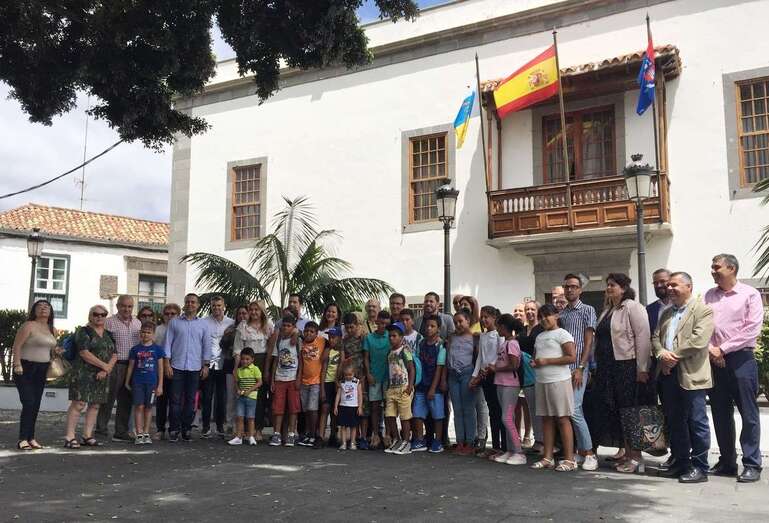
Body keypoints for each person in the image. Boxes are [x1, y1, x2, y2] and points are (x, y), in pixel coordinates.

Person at [705, 254, 763, 483]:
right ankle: (727, 462)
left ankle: (752, 463)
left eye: (716, 267)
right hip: (714, 360)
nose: (713, 271)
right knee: (720, 413)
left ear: (731, 268)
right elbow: (703, 326)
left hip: (741, 360)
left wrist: (723, 349)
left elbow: (752, 329)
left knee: (748, 414)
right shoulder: (709, 295)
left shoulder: (750, 294)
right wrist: (712, 350)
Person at [653, 272, 714, 483]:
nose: (669, 288)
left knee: (697, 421)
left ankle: (700, 467)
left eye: (674, 285)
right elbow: (656, 337)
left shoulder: (703, 310)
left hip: (692, 374)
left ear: (689, 287)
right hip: (668, 374)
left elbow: (699, 340)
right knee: (675, 420)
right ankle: (680, 462)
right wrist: (662, 354)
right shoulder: (666, 313)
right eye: (668, 285)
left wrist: (672, 357)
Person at [590, 273, 653, 473]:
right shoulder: (608, 310)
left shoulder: (633, 307)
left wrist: (642, 368)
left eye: (613, 285)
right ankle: (627, 453)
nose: (609, 288)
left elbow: (643, 337)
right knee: (617, 411)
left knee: (630, 412)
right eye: (607, 285)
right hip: (607, 368)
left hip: (626, 366)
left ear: (624, 288)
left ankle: (637, 458)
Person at [530, 304, 577, 472]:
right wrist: (535, 362)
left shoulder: (563, 334)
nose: (543, 319)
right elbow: (536, 357)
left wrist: (547, 361)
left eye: (547, 315)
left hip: (559, 381)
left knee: (562, 419)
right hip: (542, 381)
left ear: (556, 315)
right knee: (546, 419)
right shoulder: (539, 336)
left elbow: (571, 357)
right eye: (541, 317)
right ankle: (547, 457)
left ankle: (569, 459)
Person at [559, 274, 598, 471]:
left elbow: (589, 342)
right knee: (569, 411)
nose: (570, 289)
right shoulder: (562, 314)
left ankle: (589, 453)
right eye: (567, 286)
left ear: (580, 289)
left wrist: (582, 368)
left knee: (575, 409)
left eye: (574, 286)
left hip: (578, 368)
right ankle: (580, 451)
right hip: (562, 369)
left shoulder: (588, 310)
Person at [64, 305, 117, 448]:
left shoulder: (109, 334)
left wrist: (106, 370)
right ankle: (69, 437)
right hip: (83, 373)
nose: (99, 317)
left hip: (102, 374)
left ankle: (87, 435)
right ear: (90, 315)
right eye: (96, 314)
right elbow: (84, 353)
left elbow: (115, 354)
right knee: (79, 404)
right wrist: (104, 366)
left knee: (95, 405)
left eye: (103, 314)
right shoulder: (83, 331)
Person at [12, 299, 62, 450]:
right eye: (39, 306)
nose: (43, 308)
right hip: (25, 367)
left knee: (36, 404)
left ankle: (31, 438)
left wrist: (56, 351)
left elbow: (50, 349)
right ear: (34, 310)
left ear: (51, 311)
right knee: (28, 402)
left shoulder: (52, 329)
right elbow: (17, 346)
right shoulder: (28, 325)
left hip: (42, 369)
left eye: (46, 306)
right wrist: (17, 364)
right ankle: (22, 439)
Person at [164, 293, 211, 442]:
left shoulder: (203, 324)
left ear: (198, 305)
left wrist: (206, 366)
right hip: (176, 367)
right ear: (184, 304)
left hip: (195, 368)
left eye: (193, 302)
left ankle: (186, 429)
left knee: (190, 401)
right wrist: (167, 364)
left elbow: (207, 346)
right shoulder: (174, 322)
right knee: (175, 400)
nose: (190, 304)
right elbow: (167, 344)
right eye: (188, 302)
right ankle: (174, 429)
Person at [96, 295, 140, 442]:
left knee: (126, 401)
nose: (126, 309)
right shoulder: (108, 322)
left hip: (132, 366)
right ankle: (101, 431)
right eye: (123, 306)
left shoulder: (138, 323)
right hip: (114, 365)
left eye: (129, 306)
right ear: (117, 306)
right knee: (108, 399)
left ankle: (121, 432)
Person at [233, 301, 273, 441]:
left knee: (260, 397)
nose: (254, 312)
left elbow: (270, 348)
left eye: (257, 309)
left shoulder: (268, 326)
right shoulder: (243, 326)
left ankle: (258, 429)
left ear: (262, 311)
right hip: (245, 362)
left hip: (262, 361)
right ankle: (244, 430)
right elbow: (238, 349)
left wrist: (267, 368)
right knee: (245, 395)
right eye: (252, 309)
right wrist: (236, 367)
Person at [491, 314, 527, 465]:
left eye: (498, 326)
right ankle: (511, 450)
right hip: (501, 383)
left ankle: (519, 451)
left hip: (510, 385)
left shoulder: (512, 344)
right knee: (507, 418)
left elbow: (514, 365)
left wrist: (496, 368)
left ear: (504, 327)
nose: (497, 329)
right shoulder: (505, 343)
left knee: (506, 418)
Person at [470, 306, 505, 457]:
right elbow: (480, 357)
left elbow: (500, 354)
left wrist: (491, 367)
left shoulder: (499, 335)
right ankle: (495, 445)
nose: (483, 320)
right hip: (484, 376)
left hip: (495, 375)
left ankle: (503, 446)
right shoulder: (483, 336)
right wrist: (475, 375)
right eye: (482, 317)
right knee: (492, 411)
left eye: (486, 317)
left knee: (499, 410)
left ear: (494, 318)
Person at [411, 315, 447, 454]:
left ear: (438, 328)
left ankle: (438, 441)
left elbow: (439, 368)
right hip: (421, 385)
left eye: (432, 326)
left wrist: (433, 388)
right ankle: (420, 439)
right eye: (427, 326)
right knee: (417, 413)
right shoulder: (421, 343)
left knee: (437, 415)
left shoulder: (441, 345)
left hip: (435, 387)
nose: (429, 328)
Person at [125, 321, 164, 445]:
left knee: (148, 407)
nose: (145, 334)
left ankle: (146, 432)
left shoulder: (158, 349)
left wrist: (160, 385)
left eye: (148, 332)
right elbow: (131, 366)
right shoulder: (135, 349)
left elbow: (161, 368)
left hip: (152, 384)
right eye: (143, 332)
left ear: (153, 334)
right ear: (140, 333)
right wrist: (127, 381)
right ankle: (139, 433)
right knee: (139, 406)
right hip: (138, 383)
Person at [201, 296, 235, 438]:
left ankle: (220, 426)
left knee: (222, 397)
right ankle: (205, 426)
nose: (216, 308)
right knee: (207, 396)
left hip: (224, 364)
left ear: (224, 306)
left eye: (219, 305)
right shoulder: (204, 322)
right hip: (208, 364)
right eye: (214, 305)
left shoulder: (231, 323)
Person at [269, 314, 302, 447]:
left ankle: (291, 434)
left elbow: (301, 360)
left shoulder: (298, 341)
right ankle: (276, 434)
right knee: (278, 408)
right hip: (280, 378)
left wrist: (299, 377)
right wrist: (272, 379)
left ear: (293, 327)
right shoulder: (279, 340)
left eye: (289, 326)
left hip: (292, 378)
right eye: (284, 325)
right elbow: (275, 360)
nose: (286, 328)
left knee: (293, 408)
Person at [447, 310, 477, 455]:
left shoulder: (474, 337)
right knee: (457, 410)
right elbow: (448, 355)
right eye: (455, 322)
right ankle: (460, 441)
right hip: (453, 375)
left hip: (467, 374)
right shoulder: (452, 337)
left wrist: (475, 377)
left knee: (468, 409)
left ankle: (470, 442)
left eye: (460, 321)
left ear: (468, 321)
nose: (458, 324)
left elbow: (478, 357)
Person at [382, 322, 415, 455]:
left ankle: (406, 442)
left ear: (401, 337)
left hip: (403, 388)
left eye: (394, 336)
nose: (391, 338)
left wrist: (410, 386)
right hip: (392, 388)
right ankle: (396, 439)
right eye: (389, 336)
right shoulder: (390, 352)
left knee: (404, 417)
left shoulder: (405, 351)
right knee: (389, 415)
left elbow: (411, 368)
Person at [517, 300, 543, 451]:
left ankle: (543, 440)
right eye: (527, 309)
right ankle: (537, 439)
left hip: (538, 372)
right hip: (525, 374)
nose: (529, 312)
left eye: (532, 309)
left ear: (538, 311)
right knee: (531, 408)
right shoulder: (522, 329)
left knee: (540, 409)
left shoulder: (541, 328)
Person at [363, 310, 391, 449]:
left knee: (388, 407)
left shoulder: (391, 337)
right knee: (374, 406)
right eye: (381, 323)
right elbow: (366, 358)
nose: (383, 326)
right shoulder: (368, 338)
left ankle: (388, 434)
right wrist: (368, 374)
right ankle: (375, 434)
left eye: (386, 324)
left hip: (388, 377)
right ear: (376, 322)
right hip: (374, 376)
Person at [220, 305, 249, 435]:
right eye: (240, 314)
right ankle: (230, 424)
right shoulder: (231, 329)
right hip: (231, 366)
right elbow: (222, 345)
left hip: (248, 368)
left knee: (244, 397)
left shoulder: (252, 328)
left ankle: (244, 426)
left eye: (244, 313)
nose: (242, 316)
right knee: (231, 397)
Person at [153, 303, 180, 440]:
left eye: (173, 314)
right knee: (161, 400)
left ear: (178, 315)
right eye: (167, 313)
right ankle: (160, 429)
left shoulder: (181, 328)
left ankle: (174, 429)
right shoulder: (158, 330)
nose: (169, 316)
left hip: (178, 368)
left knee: (176, 401)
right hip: (161, 368)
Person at [342, 312, 369, 449]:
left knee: (363, 407)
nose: (349, 330)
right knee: (352, 407)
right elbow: (343, 361)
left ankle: (363, 437)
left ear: (357, 325)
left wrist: (366, 375)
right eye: (347, 327)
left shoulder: (364, 339)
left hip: (362, 377)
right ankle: (355, 436)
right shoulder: (344, 341)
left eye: (352, 327)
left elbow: (367, 357)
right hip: (349, 379)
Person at [297, 321, 326, 447]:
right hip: (304, 382)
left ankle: (314, 435)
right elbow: (301, 363)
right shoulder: (302, 344)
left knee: (312, 409)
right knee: (306, 410)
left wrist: (326, 352)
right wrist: (298, 379)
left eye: (312, 331)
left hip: (316, 382)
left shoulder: (321, 341)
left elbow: (332, 343)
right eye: (306, 331)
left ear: (316, 333)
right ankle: (308, 434)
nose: (309, 333)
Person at [228, 347, 263, 446]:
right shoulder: (239, 370)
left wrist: (249, 391)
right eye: (243, 359)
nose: (244, 361)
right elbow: (236, 382)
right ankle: (239, 437)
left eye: (247, 359)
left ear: (252, 359)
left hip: (252, 397)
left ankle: (251, 436)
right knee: (239, 417)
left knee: (250, 417)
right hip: (241, 397)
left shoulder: (255, 369)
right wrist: (238, 390)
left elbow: (259, 382)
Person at [319, 326, 343, 448]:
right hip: (327, 382)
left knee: (335, 411)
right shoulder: (327, 351)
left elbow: (342, 366)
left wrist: (338, 381)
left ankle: (333, 435)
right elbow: (323, 369)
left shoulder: (341, 352)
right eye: (330, 337)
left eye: (334, 337)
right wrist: (322, 388)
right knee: (325, 408)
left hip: (337, 383)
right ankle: (320, 436)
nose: (331, 340)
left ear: (339, 338)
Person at [335, 363, 363, 450]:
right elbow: (338, 395)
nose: (348, 376)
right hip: (343, 406)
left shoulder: (357, 382)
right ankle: (343, 443)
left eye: (350, 374)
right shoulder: (342, 383)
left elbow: (360, 395)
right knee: (343, 426)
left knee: (353, 426)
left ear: (354, 373)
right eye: (346, 375)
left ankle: (352, 442)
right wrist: (335, 406)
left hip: (354, 406)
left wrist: (360, 407)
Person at [647, 268, 672, 334]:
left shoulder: (681, 305)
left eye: (662, 281)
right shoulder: (649, 309)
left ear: (671, 281)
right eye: (655, 283)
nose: (658, 285)